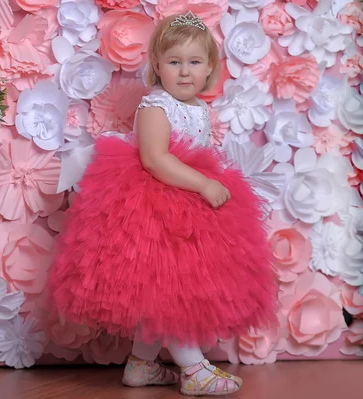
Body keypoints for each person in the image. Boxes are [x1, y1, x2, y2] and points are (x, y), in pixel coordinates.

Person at [47, 11, 279, 396]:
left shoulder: (201, 110)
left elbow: (197, 151)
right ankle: (194, 368)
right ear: (157, 66)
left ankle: (141, 364)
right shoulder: (155, 106)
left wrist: (209, 183)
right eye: (174, 62)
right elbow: (155, 159)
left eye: (194, 62)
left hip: (189, 208)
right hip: (154, 209)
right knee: (172, 290)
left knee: (161, 294)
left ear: (209, 69)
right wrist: (204, 183)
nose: (184, 72)